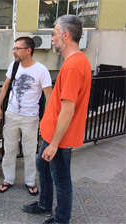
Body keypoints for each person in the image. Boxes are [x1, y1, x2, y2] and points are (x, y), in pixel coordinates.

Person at [23, 15, 92, 224]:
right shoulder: (76, 61)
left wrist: (53, 144)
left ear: (65, 35)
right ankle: (45, 204)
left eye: (54, 34)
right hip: (52, 134)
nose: (52, 39)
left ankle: (61, 219)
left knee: (61, 181)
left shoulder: (73, 66)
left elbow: (68, 110)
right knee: (42, 166)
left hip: (60, 138)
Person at [0, 37, 52, 195]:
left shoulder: (41, 70)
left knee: (29, 151)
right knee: (9, 149)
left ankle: (30, 181)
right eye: (14, 48)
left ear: (28, 50)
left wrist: (46, 118)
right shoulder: (14, 65)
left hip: (30, 118)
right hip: (12, 114)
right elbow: (6, 86)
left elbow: (49, 96)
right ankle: (8, 179)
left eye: (17, 48)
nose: (14, 51)